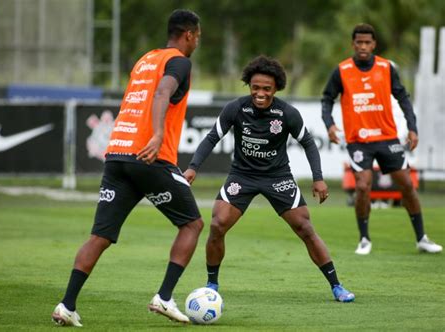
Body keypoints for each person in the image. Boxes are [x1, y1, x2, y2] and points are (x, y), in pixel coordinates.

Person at [51, 9, 203, 326]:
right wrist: (158, 134)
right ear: (189, 34)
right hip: (149, 155)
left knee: (100, 236)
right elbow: (162, 92)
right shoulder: (179, 61)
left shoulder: (146, 59)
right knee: (192, 224)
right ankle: (164, 297)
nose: (197, 42)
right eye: (197, 36)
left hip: (117, 154)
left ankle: (67, 305)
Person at [184, 55, 355, 303]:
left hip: (278, 177)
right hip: (242, 176)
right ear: (249, 86)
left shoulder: (287, 113)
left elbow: (308, 143)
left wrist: (318, 179)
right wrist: (192, 167)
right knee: (217, 224)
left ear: (275, 89)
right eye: (255, 88)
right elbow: (212, 137)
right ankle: (212, 283)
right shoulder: (235, 108)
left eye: (266, 88)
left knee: (305, 228)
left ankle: (337, 286)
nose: (260, 93)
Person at [321, 23, 442, 255]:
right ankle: (364, 239)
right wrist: (330, 125)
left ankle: (422, 238)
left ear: (374, 44)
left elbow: (403, 98)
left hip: (387, 138)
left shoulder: (386, 68)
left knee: (406, 184)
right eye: (359, 42)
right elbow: (327, 99)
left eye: (367, 42)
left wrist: (412, 128)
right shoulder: (342, 70)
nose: (363, 46)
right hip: (359, 140)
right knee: (363, 186)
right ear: (353, 44)